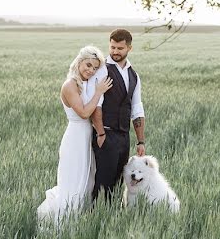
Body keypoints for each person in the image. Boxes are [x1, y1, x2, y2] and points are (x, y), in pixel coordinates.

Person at [37, 45, 113, 223]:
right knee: (73, 183)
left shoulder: (85, 84)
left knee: (86, 182)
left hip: (86, 138)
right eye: (88, 65)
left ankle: (78, 223)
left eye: (95, 68)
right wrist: (99, 91)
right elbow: (85, 113)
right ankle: (63, 225)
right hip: (75, 138)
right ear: (79, 62)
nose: (91, 70)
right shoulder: (70, 85)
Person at [90, 28, 145, 204]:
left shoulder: (134, 75)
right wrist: (100, 134)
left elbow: (137, 108)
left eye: (119, 48)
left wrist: (140, 141)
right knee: (102, 182)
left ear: (129, 48)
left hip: (123, 136)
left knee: (118, 182)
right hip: (105, 133)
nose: (115, 51)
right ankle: (95, 216)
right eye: (112, 47)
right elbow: (96, 105)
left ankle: (111, 218)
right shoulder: (102, 70)